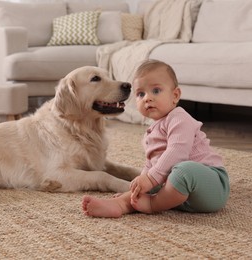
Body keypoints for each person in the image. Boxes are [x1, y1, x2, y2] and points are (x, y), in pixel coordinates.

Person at [82, 59, 230, 218]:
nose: (147, 98)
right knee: (146, 182)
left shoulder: (179, 118)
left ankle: (153, 204)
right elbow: (152, 165)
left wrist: (151, 178)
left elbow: (178, 151)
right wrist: (142, 183)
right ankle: (121, 204)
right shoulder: (149, 133)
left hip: (210, 186)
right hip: (179, 194)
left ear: (175, 95)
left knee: (181, 171)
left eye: (156, 91)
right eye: (140, 94)